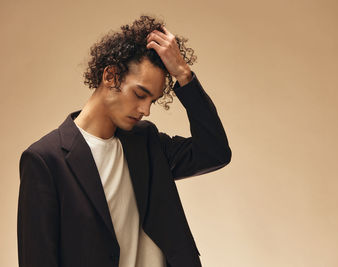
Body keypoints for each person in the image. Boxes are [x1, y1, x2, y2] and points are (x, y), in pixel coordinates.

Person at [17, 15, 231, 267]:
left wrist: (184, 75)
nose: (146, 110)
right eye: (140, 94)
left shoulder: (146, 142)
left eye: (152, 100)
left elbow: (214, 152)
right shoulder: (45, 160)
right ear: (110, 76)